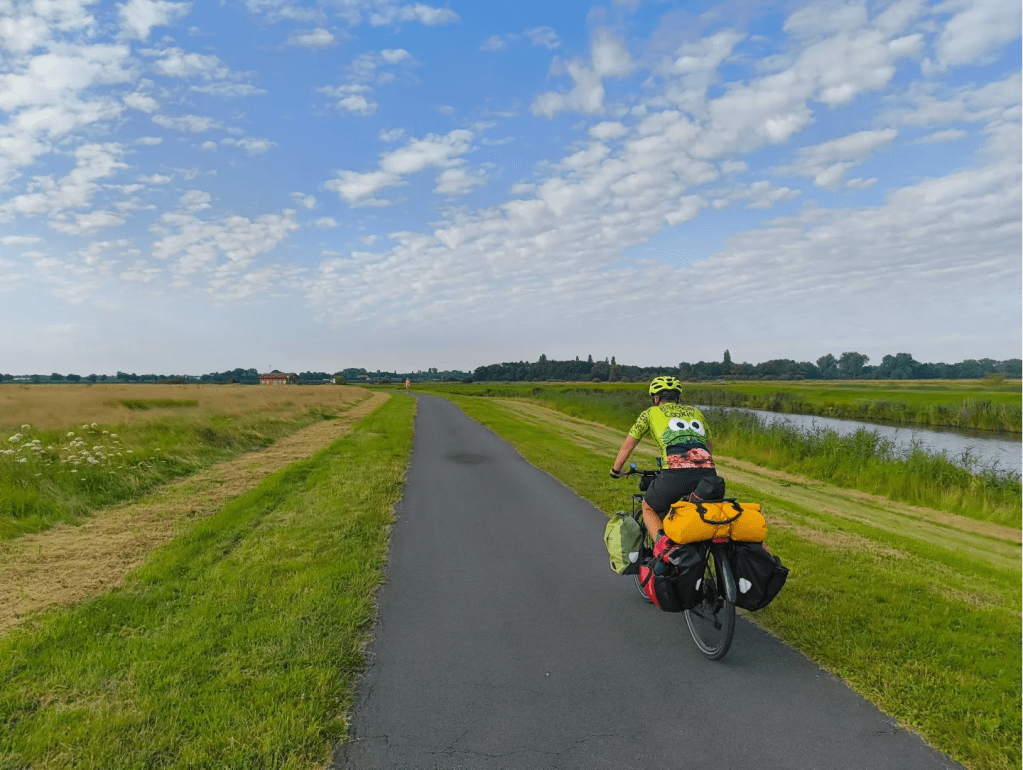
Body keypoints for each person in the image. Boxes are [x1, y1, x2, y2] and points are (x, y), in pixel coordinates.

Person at [609, 376, 720, 556]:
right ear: (678, 397)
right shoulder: (695, 412)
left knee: (648, 507)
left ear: (656, 399)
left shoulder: (650, 413)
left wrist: (616, 470)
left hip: (676, 473)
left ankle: (665, 551)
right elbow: (710, 446)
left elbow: (628, 445)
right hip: (709, 474)